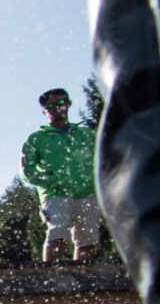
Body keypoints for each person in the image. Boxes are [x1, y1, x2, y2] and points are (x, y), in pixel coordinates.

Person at [19, 88, 100, 263]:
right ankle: (50, 279)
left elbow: (102, 160)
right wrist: (50, 180)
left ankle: (83, 280)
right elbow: (26, 170)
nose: (57, 107)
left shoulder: (86, 134)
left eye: (61, 102)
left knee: (87, 239)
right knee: (58, 233)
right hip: (55, 193)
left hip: (87, 191)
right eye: (51, 105)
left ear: (69, 103)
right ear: (44, 111)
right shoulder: (36, 138)